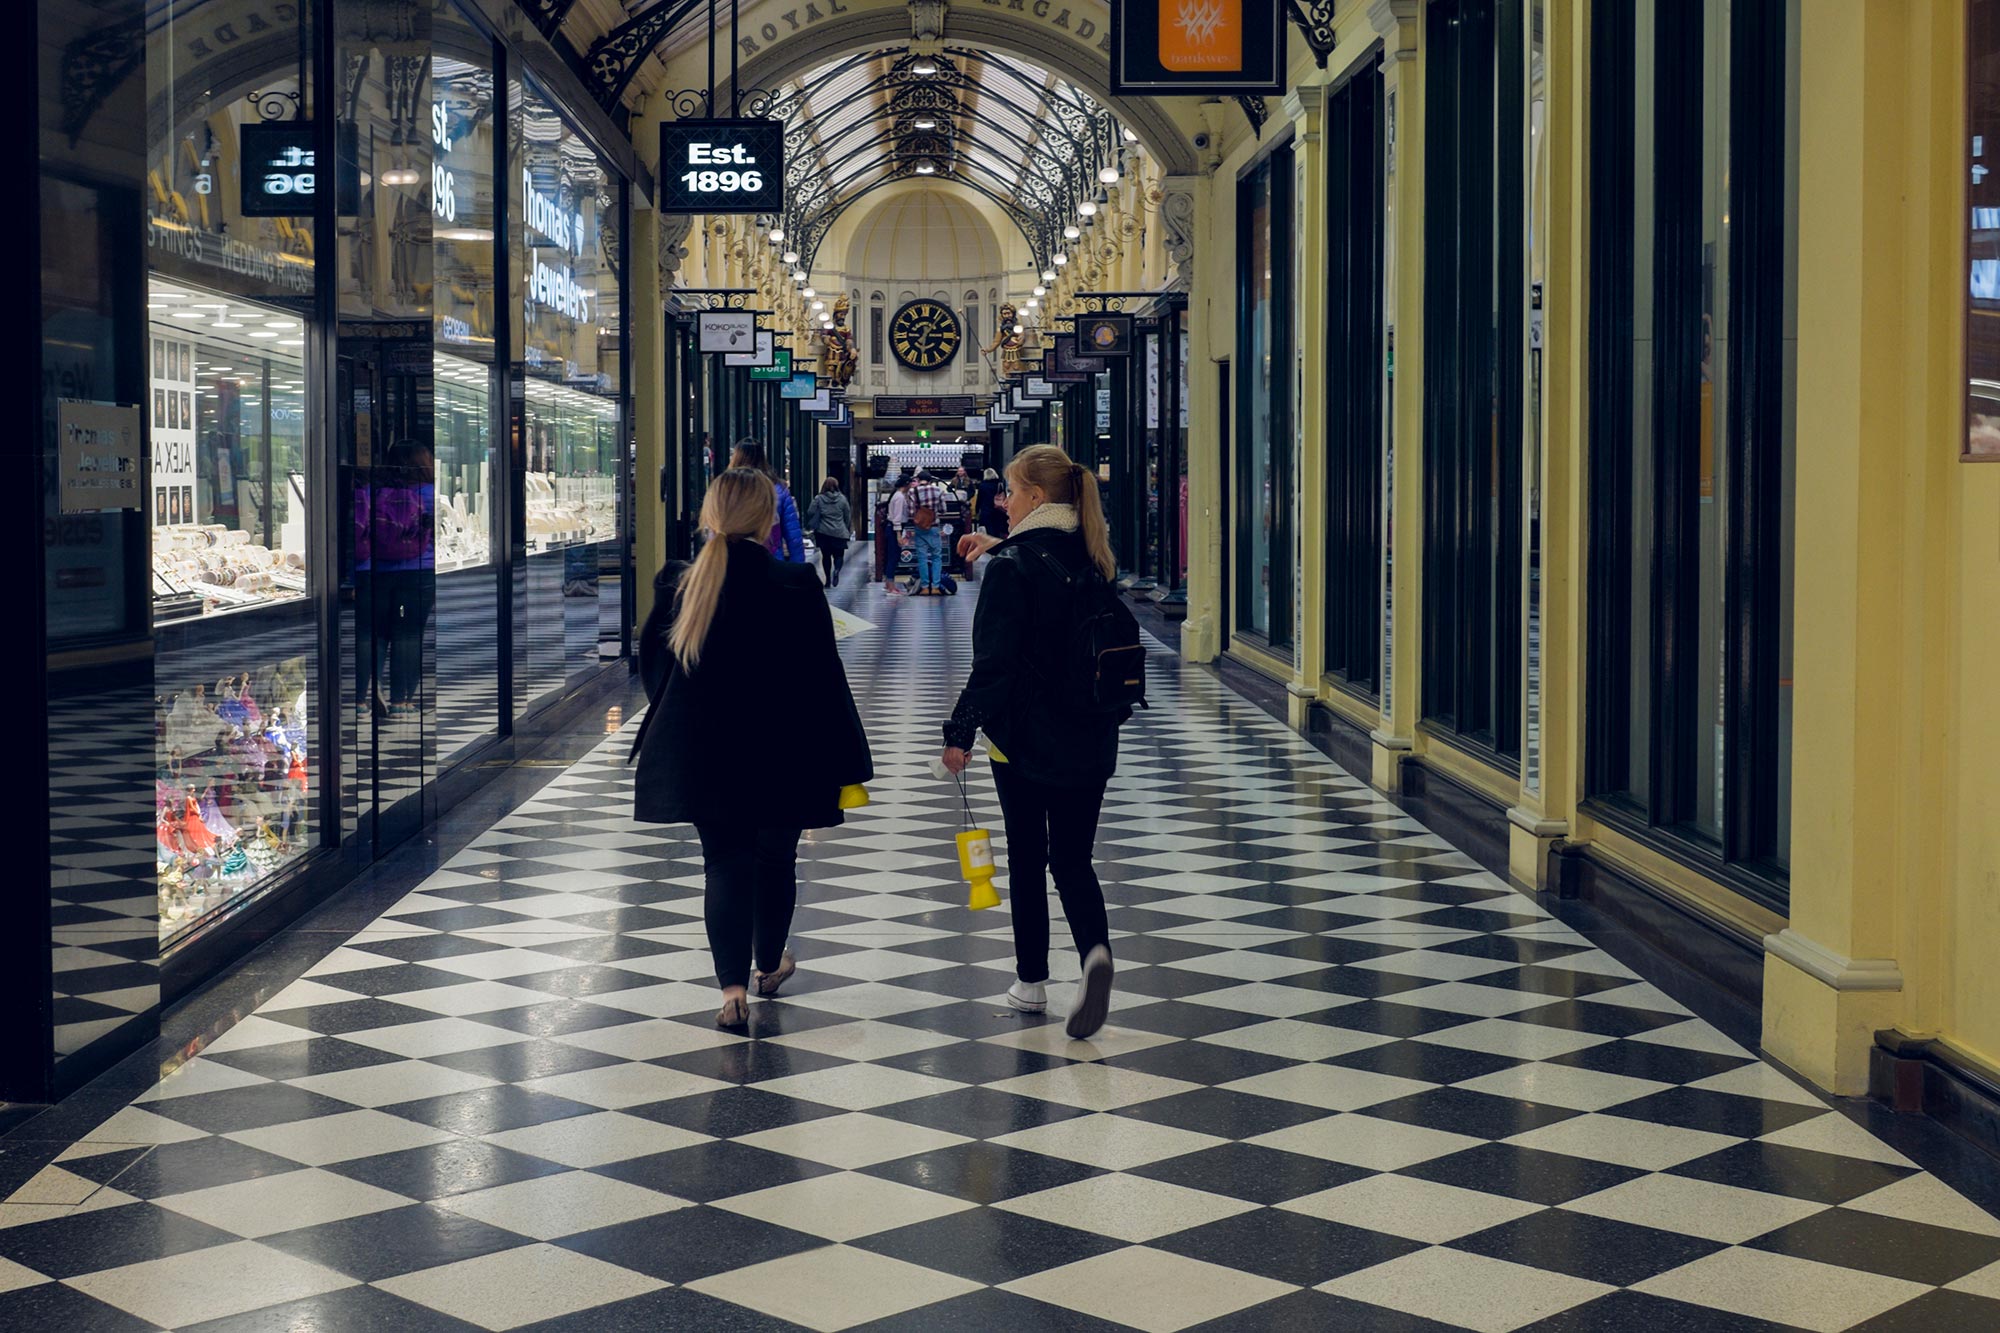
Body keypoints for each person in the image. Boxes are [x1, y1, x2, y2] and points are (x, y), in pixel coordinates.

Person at [633, 468, 872, 1028]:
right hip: (783, 752)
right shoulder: (795, 582)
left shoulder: (678, 583)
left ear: (707, 516)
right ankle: (768, 966)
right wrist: (845, 754)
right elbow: (822, 675)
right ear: (768, 520)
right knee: (775, 858)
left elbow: (654, 673)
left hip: (703, 752)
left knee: (724, 862)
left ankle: (731, 992)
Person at [942, 444, 1128, 1039]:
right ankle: (1094, 953)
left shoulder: (1014, 567)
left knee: (1026, 855)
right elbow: (1055, 589)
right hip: (1093, 733)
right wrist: (1002, 547)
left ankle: (1030, 982)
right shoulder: (1095, 554)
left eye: (1012, 492)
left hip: (1022, 740)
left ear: (1036, 499)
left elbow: (993, 667)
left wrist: (959, 731)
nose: (1003, 500)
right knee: (1072, 858)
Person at [731, 440, 805, 563]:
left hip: (734, 563)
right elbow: (793, 536)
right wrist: (798, 568)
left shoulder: (728, 489)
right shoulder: (778, 489)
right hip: (772, 560)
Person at [804, 477, 853, 587]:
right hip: (839, 532)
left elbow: (810, 511)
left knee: (826, 557)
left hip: (823, 532)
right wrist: (846, 528)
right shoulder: (842, 499)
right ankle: (836, 570)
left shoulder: (819, 498)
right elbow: (847, 515)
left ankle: (827, 581)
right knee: (839, 556)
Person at [909, 471, 947, 595]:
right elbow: (943, 510)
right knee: (936, 557)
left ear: (919, 480)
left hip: (920, 527)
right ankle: (935, 586)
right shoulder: (938, 490)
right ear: (930, 480)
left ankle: (925, 587)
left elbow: (911, 512)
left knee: (922, 557)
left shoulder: (912, 492)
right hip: (934, 526)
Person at [883, 474, 914, 593]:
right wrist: (899, 535)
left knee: (891, 556)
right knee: (894, 557)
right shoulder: (900, 497)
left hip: (892, 528)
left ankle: (889, 583)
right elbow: (897, 517)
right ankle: (891, 586)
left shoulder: (897, 495)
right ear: (906, 484)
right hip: (895, 529)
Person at [974, 467, 1008, 540]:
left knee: (987, 532)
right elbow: (1004, 496)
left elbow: (979, 499)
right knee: (997, 531)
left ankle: (989, 547)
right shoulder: (999, 484)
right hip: (998, 510)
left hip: (986, 511)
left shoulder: (983, 486)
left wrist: (976, 510)